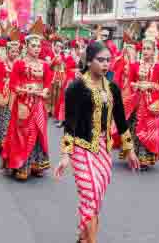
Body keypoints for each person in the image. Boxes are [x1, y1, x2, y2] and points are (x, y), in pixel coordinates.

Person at [54, 41, 140, 243]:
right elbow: (70, 124)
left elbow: (121, 121)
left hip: (103, 149)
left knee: (95, 199)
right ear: (89, 61)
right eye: (100, 60)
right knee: (90, 196)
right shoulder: (76, 87)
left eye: (108, 60)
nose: (105, 64)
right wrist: (66, 155)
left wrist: (130, 150)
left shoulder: (112, 88)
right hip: (81, 149)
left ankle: (83, 238)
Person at [2, 32, 52, 180]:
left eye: (39, 46)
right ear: (27, 47)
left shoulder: (44, 64)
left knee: (39, 132)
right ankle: (22, 165)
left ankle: (36, 164)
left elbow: (48, 81)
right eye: (34, 46)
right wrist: (24, 90)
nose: (37, 49)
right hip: (24, 103)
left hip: (39, 103)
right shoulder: (20, 63)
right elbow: (13, 84)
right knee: (23, 133)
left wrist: (45, 90)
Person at [128, 37, 159, 170]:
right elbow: (130, 82)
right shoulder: (135, 65)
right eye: (144, 48)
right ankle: (134, 157)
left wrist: (149, 85)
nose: (145, 51)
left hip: (151, 103)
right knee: (135, 128)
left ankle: (145, 159)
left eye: (148, 48)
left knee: (148, 130)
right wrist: (138, 85)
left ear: (153, 51)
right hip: (137, 101)